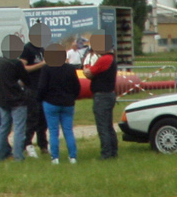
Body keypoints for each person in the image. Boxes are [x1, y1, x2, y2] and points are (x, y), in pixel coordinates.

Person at [39, 43, 81, 164]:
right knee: (68, 130)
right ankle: (73, 157)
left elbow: (42, 87)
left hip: (51, 102)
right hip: (68, 103)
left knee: (53, 131)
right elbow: (76, 86)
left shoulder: (47, 69)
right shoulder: (70, 68)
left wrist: (41, 98)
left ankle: (55, 157)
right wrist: (73, 97)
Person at [0, 34, 32, 162]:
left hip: (2, 99)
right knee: (19, 129)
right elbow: (26, 79)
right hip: (17, 99)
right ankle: (18, 155)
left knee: (4, 128)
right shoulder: (16, 63)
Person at [82, 31, 118, 159]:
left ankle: (106, 154)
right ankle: (113, 151)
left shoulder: (104, 59)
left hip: (102, 96)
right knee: (108, 126)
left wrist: (86, 67)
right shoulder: (110, 58)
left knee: (103, 127)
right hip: (108, 94)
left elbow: (89, 73)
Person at [21, 25, 49, 158]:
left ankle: (43, 144)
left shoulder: (41, 49)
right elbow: (23, 68)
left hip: (42, 88)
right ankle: (27, 144)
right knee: (32, 117)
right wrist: (42, 64)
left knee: (43, 120)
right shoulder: (27, 49)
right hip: (31, 88)